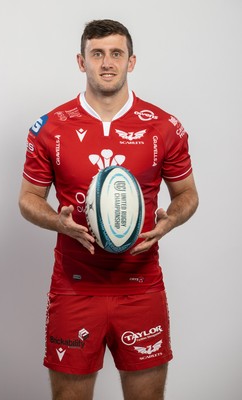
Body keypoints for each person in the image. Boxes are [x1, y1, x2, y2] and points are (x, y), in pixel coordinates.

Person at [19, 19, 199, 400]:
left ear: (131, 62)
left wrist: (168, 223)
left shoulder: (164, 127)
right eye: (96, 54)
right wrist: (60, 223)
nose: (106, 63)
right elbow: (28, 199)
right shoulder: (50, 127)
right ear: (81, 61)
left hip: (141, 286)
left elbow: (187, 195)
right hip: (74, 287)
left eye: (116, 53)